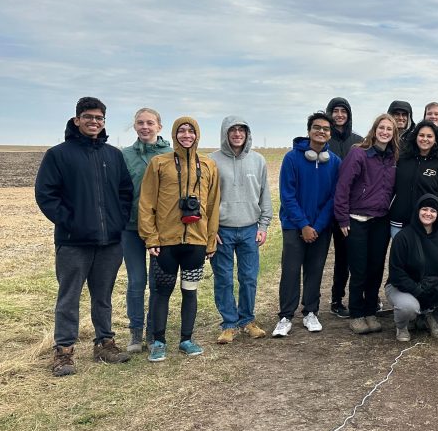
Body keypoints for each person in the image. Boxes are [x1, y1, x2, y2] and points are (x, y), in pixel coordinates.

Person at [35, 97, 133, 376]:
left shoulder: (113, 156)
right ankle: (63, 351)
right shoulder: (59, 155)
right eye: (88, 117)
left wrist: (118, 221)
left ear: (104, 122)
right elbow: (46, 195)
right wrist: (70, 222)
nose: (94, 122)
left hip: (110, 242)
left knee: (103, 296)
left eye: (99, 118)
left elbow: (125, 192)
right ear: (77, 120)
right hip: (73, 242)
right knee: (69, 297)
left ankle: (105, 343)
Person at [138, 117, 221, 362]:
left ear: (197, 135)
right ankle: (159, 342)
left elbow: (214, 204)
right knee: (162, 292)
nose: (187, 135)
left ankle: (186, 339)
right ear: (174, 134)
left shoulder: (208, 165)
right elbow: (146, 202)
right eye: (182, 130)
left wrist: (210, 241)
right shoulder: (159, 163)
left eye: (191, 131)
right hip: (165, 241)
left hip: (196, 242)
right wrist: (151, 237)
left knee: (190, 291)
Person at [273, 112, 342, 337]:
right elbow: (288, 195)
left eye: (325, 128)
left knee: (315, 270)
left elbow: (334, 197)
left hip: (320, 227)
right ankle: (285, 316)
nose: (321, 131)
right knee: (291, 271)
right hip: (294, 226)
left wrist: (318, 226)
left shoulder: (335, 162)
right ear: (309, 131)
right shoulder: (292, 159)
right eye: (317, 127)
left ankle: (311, 311)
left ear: (330, 134)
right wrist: (303, 224)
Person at [334, 114, 399, 334]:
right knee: (359, 269)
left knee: (376, 268)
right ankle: (357, 313)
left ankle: (371, 310)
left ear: (393, 134)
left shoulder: (393, 158)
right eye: (382, 128)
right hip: (357, 220)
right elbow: (342, 186)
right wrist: (342, 217)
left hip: (380, 220)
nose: (385, 132)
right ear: (374, 130)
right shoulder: (358, 153)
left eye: (389, 129)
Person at [210, 115, 271, 343]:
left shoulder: (258, 161)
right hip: (222, 230)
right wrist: (209, 229)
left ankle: (247, 320)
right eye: (232, 130)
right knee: (223, 278)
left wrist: (263, 225)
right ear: (225, 133)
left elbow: (265, 194)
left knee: (248, 277)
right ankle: (229, 324)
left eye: (241, 130)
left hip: (249, 228)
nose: (237, 134)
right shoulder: (211, 161)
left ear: (247, 134)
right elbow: (206, 198)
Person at [121, 107, 171, 353]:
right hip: (130, 228)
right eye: (140, 123)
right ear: (135, 126)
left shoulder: (170, 154)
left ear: (159, 127)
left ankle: (154, 332)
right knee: (136, 281)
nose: (145, 127)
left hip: (160, 229)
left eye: (150, 123)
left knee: (157, 282)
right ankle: (135, 333)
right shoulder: (125, 155)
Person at [385, 194, 438, 342]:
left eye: (433, 210)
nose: (428, 213)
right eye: (424, 209)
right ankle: (402, 326)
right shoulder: (403, 237)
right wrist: (418, 291)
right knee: (408, 307)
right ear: (417, 211)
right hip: (403, 287)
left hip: (434, 286)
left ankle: (431, 318)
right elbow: (397, 272)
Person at [325, 97, 363, 318]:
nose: (339, 115)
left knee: (345, 257)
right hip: (323, 207)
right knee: (318, 258)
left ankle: (338, 298)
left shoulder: (357, 142)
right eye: (335, 111)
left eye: (343, 111)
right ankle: (313, 301)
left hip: (348, 208)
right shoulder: (323, 139)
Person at [389, 120, 438, 239]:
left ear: (435, 139)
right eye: (421, 135)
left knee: (421, 258)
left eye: (429, 136)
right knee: (400, 257)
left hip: (426, 225)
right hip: (398, 223)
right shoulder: (401, 160)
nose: (425, 139)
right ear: (415, 137)